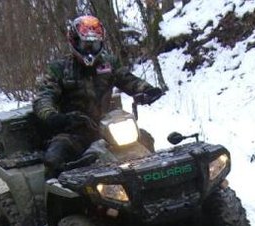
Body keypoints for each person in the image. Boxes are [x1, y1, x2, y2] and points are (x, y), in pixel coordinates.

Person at [33, 15, 164, 178]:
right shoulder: (59, 69)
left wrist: (146, 90)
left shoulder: (108, 63)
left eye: (94, 44)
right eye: (85, 44)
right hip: (73, 129)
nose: (89, 49)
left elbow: (126, 78)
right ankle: (52, 202)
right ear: (74, 42)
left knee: (144, 139)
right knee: (55, 157)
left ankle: (151, 185)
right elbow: (44, 97)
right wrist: (53, 116)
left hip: (107, 127)